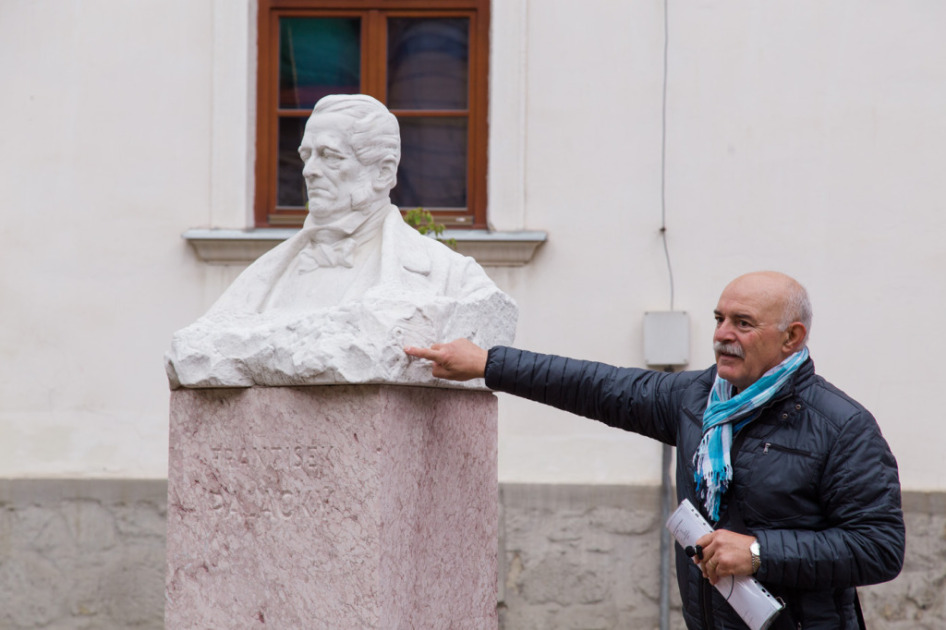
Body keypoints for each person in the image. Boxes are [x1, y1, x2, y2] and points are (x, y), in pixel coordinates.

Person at [404, 271, 904, 629]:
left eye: (743, 323)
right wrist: (488, 363)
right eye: (719, 319)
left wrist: (757, 553)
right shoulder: (695, 399)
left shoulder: (843, 427)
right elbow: (594, 385)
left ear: (792, 337)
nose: (722, 335)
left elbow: (879, 548)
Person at [166, 94, 516, 389]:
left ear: (383, 172)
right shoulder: (263, 277)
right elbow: (196, 349)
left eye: (329, 156)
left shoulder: (455, 279)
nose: (309, 170)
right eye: (306, 155)